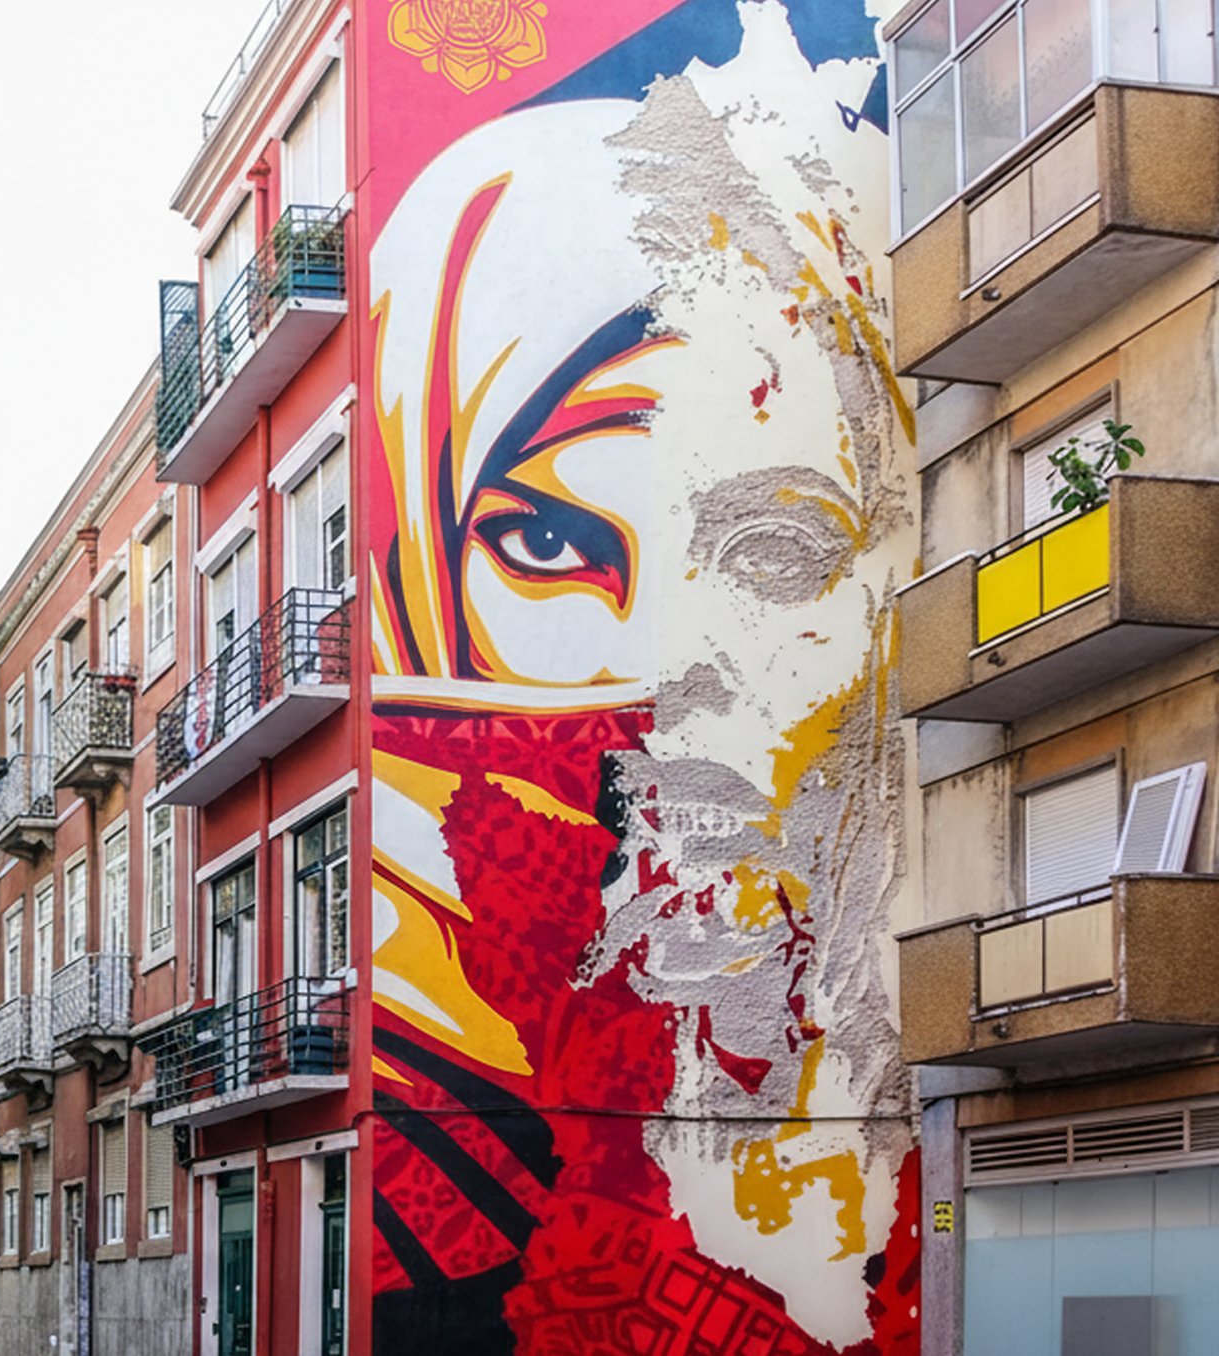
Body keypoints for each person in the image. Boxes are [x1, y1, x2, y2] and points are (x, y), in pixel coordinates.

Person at [365, 3, 919, 1352]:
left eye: (777, 551)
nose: (665, 685)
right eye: (549, 542)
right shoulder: (424, 1172)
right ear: (422, 582)